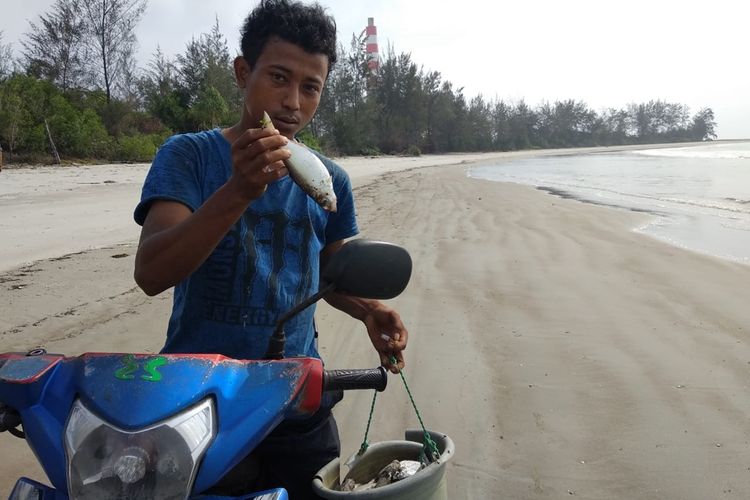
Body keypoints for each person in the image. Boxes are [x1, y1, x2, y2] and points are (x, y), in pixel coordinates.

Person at [133, 0, 407, 497]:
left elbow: (330, 271)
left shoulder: (330, 180)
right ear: (243, 72)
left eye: (310, 87)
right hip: (196, 394)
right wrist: (238, 190)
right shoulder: (189, 156)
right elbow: (151, 272)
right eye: (278, 78)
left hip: (296, 392)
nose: (292, 103)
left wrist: (369, 310)